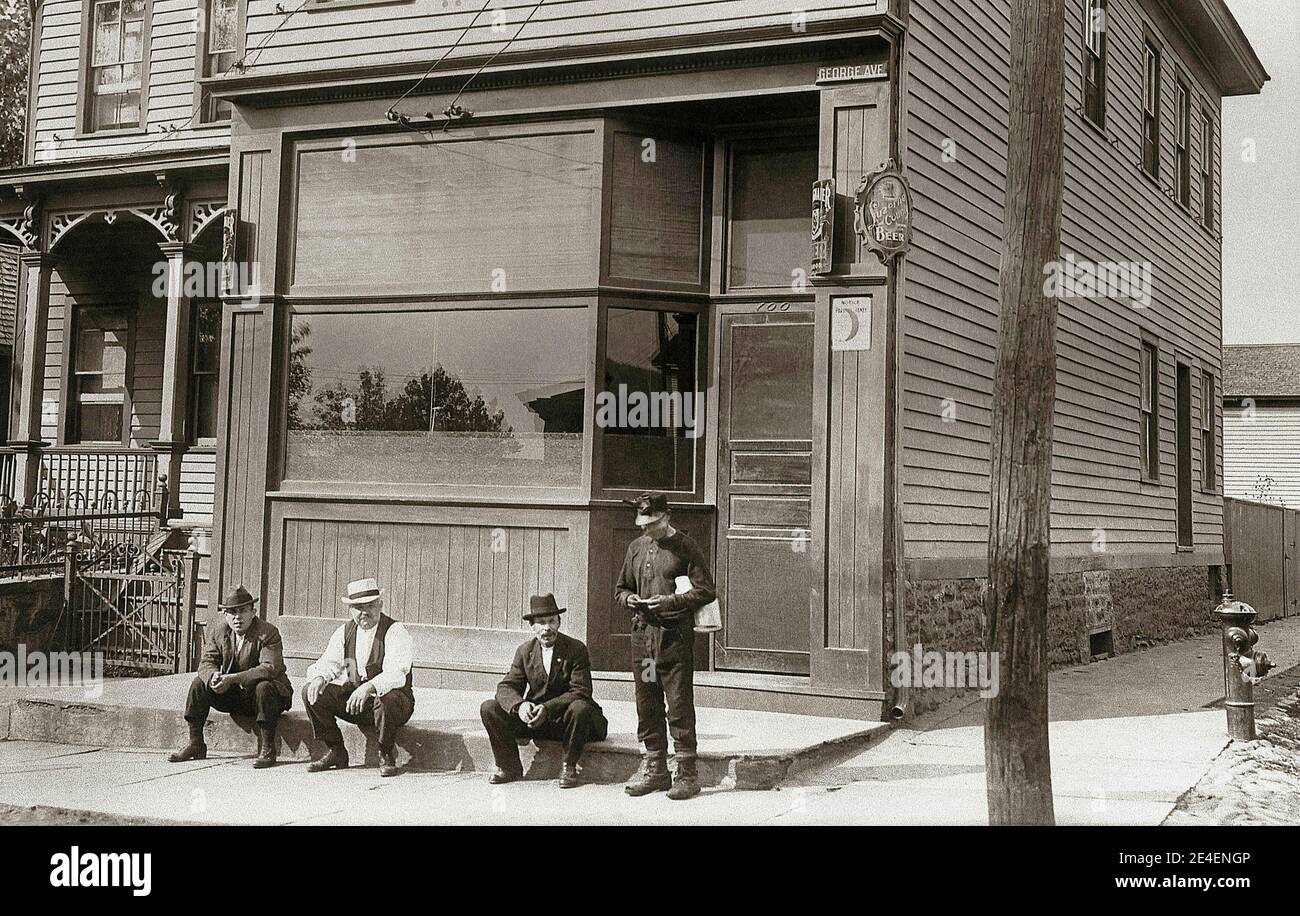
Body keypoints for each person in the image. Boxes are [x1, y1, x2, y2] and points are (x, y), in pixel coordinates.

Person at [614, 492, 716, 800]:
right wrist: (630, 599)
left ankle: (687, 774)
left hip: (674, 640)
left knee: (679, 704)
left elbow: (706, 591)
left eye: (653, 523)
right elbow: (621, 589)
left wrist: (671, 600)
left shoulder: (686, 546)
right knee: (647, 703)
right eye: (643, 524)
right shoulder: (636, 548)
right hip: (644, 642)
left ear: (666, 516)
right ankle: (656, 770)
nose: (647, 530)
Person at [479, 594, 608, 789]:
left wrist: (546, 708)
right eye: (540, 623)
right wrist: (520, 707)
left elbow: (581, 691)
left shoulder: (576, 649)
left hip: (568, 721)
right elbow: (506, 687)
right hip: (536, 722)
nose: (547, 628)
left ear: (559, 623)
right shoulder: (525, 651)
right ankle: (509, 767)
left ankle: (569, 766)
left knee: (580, 708)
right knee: (489, 708)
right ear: (532, 626)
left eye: (551, 621)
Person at [300, 577, 415, 778]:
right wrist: (320, 677)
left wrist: (368, 687)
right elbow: (329, 662)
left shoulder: (395, 631)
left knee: (387, 698)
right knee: (312, 691)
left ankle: (386, 753)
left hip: (393, 704)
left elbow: (397, 673)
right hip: (358, 703)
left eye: (370, 606)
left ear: (380, 604)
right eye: (358, 608)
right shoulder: (344, 632)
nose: (364, 612)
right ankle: (336, 750)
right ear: (351, 610)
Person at [168, 585, 293, 768]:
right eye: (232, 612)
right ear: (225, 615)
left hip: (267, 697)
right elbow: (206, 663)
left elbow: (269, 668)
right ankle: (196, 743)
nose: (237, 617)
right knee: (198, 684)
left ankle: (268, 748)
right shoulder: (220, 631)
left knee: (264, 686)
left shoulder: (268, 632)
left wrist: (232, 678)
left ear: (253, 612)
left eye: (242, 611)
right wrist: (213, 677)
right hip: (235, 695)